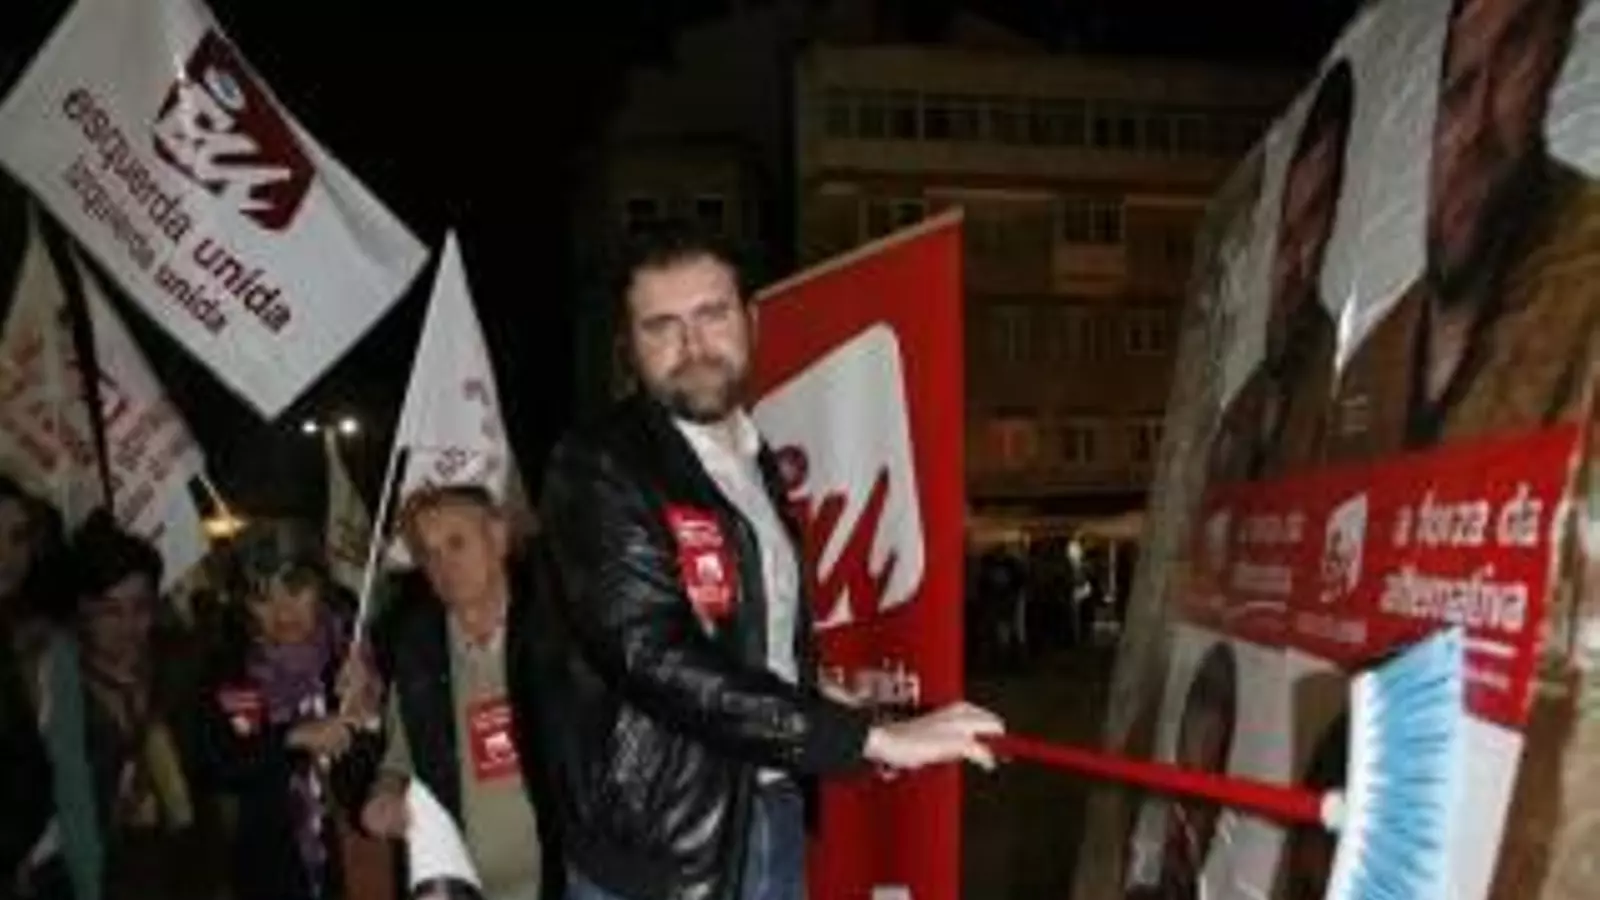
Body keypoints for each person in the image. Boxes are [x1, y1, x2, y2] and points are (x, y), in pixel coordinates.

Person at [540, 222, 1005, 900]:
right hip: (663, 850)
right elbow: (652, 654)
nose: (692, 346)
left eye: (712, 314)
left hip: (769, 808)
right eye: (661, 327)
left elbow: (750, 637)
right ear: (628, 348)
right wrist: (867, 741)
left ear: (752, 321)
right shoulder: (600, 465)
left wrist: (825, 694)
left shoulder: (754, 461)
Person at [1327, 0, 1599, 460]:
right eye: (1457, 88)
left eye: (1513, 53)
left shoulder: (1581, 278)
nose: (1473, 129)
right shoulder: (1374, 360)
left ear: (1556, 49)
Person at [352, 486, 563, 900]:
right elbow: (399, 759)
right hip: (463, 883)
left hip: (569, 879)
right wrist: (385, 794)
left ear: (497, 536)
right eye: (428, 553)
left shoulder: (557, 631)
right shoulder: (418, 651)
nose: (443, 565)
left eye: (456, 543)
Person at [1207, 59, 1354, 483]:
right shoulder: (1240, 407)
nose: (1289, 266)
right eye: (1285, 236)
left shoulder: (1348, 381)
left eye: (1310, 224)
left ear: (1336, 223)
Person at [197, 543, 368, 900]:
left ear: (321, 586)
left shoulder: (353, 653)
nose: (283, 610)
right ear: (244, 605)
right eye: (263, 598)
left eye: (295, 588)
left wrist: (368, 703)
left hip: (356, 860)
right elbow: (229, 761)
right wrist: (293, 736)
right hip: (273, 867)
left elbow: (386, 759)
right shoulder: (237, 669)